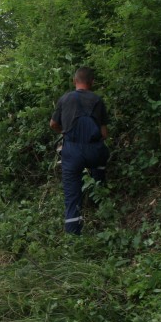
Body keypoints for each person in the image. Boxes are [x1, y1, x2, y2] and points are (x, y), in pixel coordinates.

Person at [50, 66, 110, 235]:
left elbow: (53, 124)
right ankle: (99, 207)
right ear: (92, 82)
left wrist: (65, 132)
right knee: (100, 165)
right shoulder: (97, 100)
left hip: (72, 152)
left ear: (75, 81)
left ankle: (73, 235)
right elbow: (104, 133)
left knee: (71, 195)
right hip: (94, 150)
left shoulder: (65, 99)